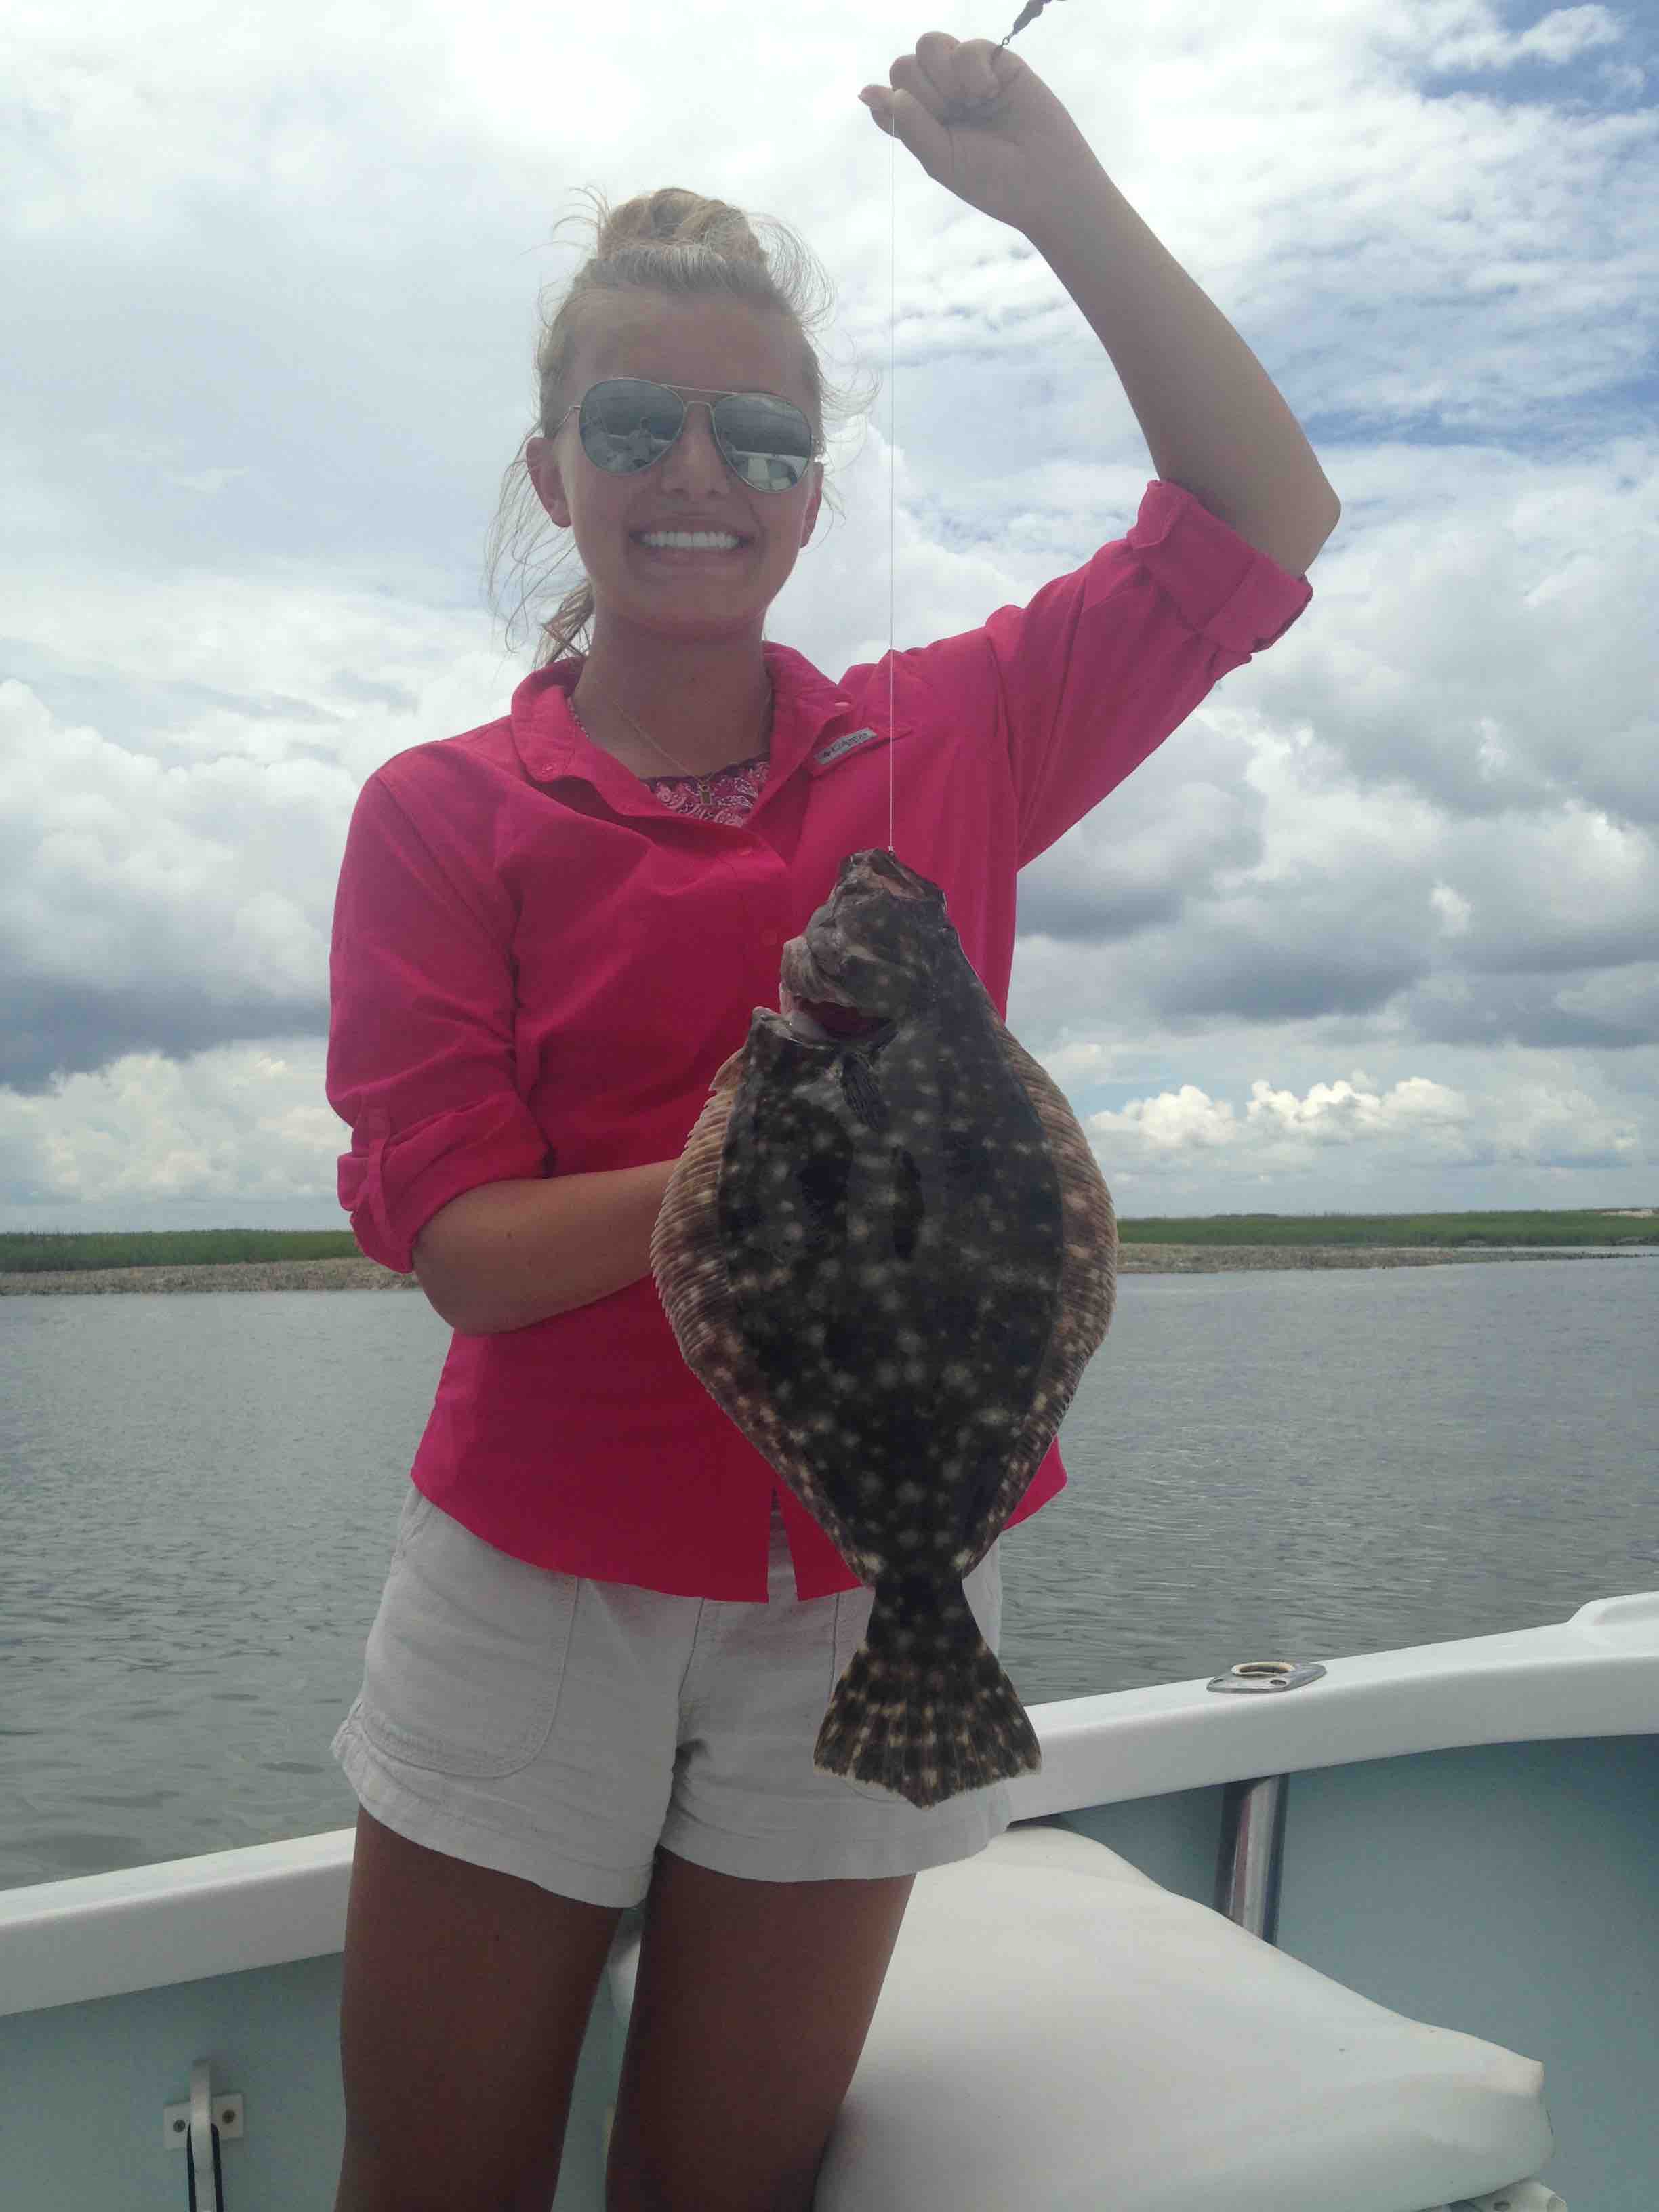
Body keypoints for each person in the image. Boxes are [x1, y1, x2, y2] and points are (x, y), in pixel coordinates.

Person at [324, 31, 1339, 2212]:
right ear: (554, 467)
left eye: (762, 432)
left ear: (810, 484)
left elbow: (1267, 520)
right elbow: (463, 1250)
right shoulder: (440, 817)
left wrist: (1057, 196)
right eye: (639, 424)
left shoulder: (948, 736)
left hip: (875, 1599)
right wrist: (749, 1175)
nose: (702, 467)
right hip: (536, 1588)